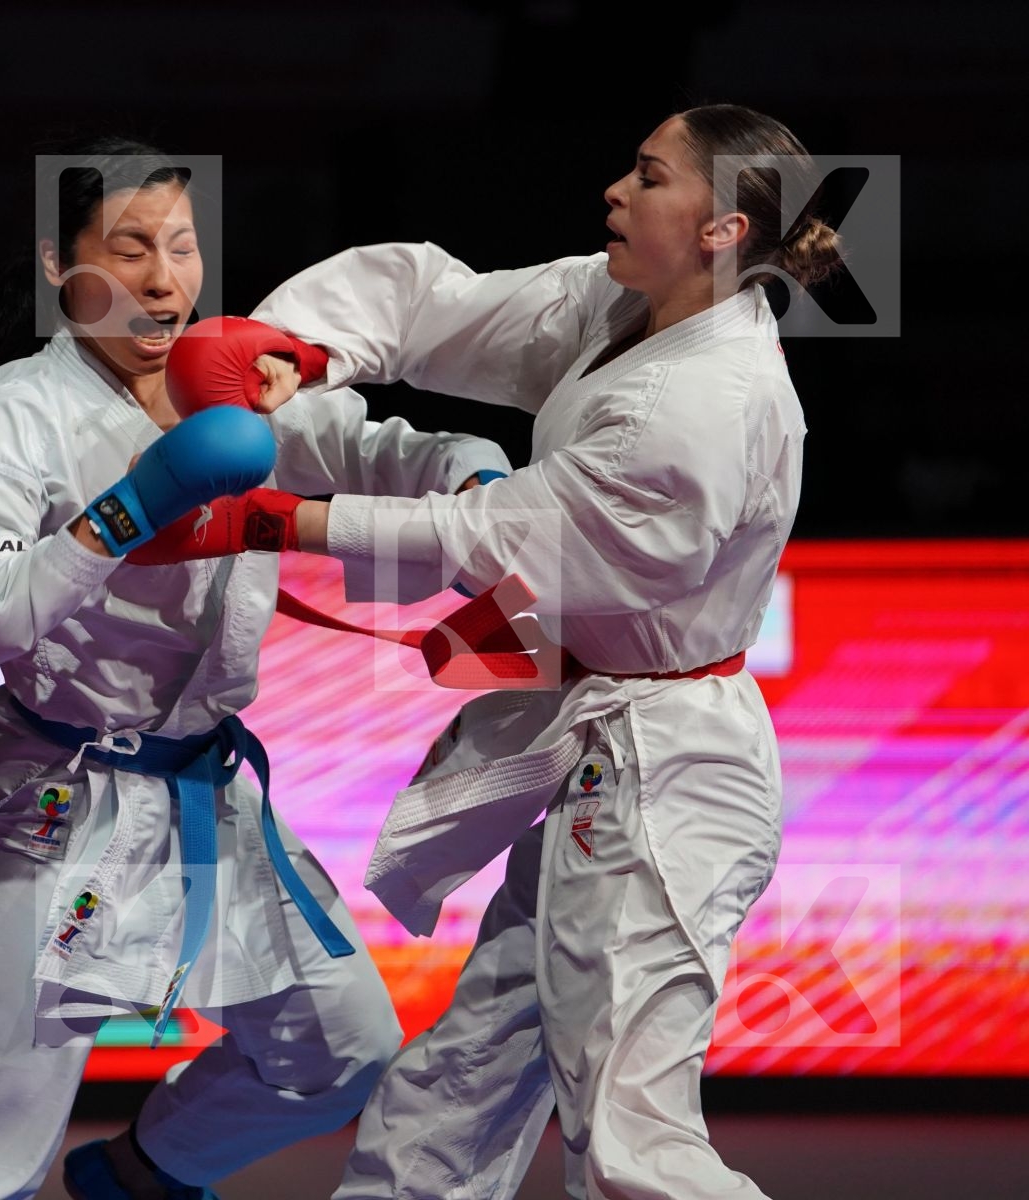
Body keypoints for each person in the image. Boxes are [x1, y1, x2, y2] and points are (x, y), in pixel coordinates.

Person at [132, 104, 839, 1198]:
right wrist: (293, 357)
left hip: (669, 777)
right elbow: (436, 304)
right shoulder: (624, 309)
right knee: (449, 1102)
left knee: (630, 1143)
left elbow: (490, 537)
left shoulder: (701, 400)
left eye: (649, 176)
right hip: (601, 745)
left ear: (722, 231)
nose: (617, 189)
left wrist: (270, 520)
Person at [0, 136, 514, 1200]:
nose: (164, 281)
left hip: (208, 799)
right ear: (56, 265)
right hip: (54, 806)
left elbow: (394, 451)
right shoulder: (6, 422)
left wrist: (475, 475)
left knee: (339, 1051)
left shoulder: (234, 384)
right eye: (129, 250)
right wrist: (125, 513)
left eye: (181, 247)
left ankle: (143, 1175)